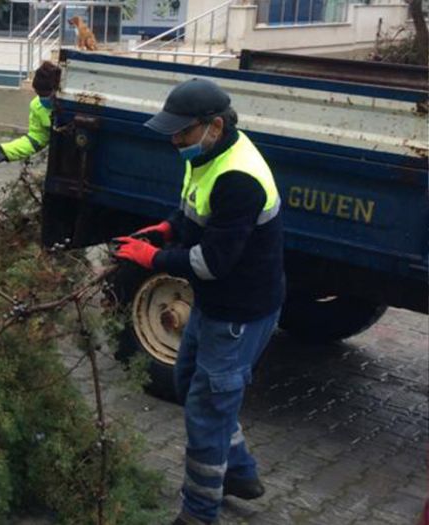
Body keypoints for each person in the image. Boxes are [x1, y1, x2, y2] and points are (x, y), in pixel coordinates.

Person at [113, 78, 285, 525]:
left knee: (208, 411)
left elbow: (211, 262)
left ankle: (199, 511)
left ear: (214, 126)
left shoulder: (238, 178)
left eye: (182, 132)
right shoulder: (208, 154)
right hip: (214, 303)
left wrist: (151, 258)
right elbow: (193, 209)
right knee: (190, 380)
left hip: (240, 312)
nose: (175, 140)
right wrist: (166, 230)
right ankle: (240, 472)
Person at [0, 61, 61, 166]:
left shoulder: (77, 103)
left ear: (58, 90)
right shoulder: (36, 106)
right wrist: (7, 151)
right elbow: (37, 137)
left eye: (46, 95)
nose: (42, 99)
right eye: (38, 94)